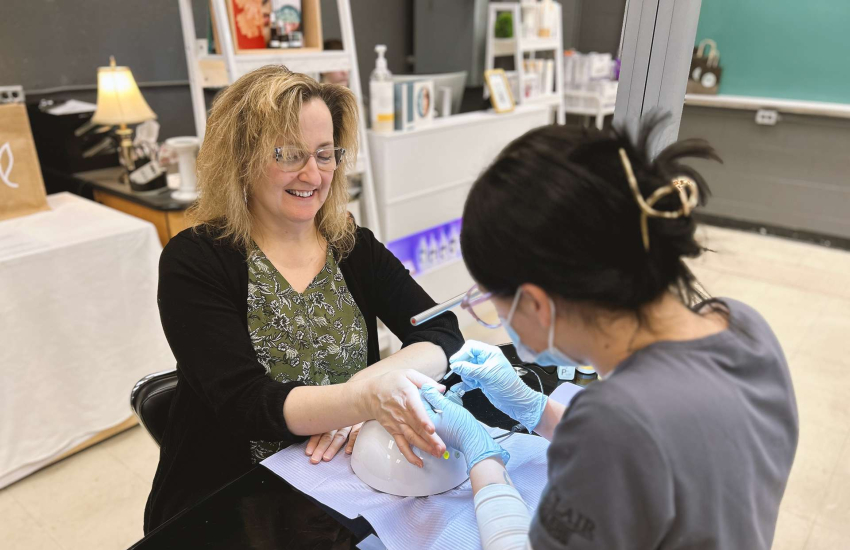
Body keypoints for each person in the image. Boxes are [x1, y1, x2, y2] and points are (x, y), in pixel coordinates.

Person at [419, 115, 798, 549]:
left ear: (537, 304)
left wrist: (480, 454)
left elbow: (626, 439)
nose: (498, 321)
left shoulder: (616, 423)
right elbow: (661, 460)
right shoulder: (742, 325)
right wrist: (536, 409)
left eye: (492, 304)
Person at [144, 65, 463, 534]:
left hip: (345, 482)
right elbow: (246, 403)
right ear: (241, 157)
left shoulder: (352, 246)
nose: (313, 174)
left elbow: (440, 329)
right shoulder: (195, 261)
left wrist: (365, 397)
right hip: (233, 501)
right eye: (290, 154)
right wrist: (359, 401)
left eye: (325, 153)